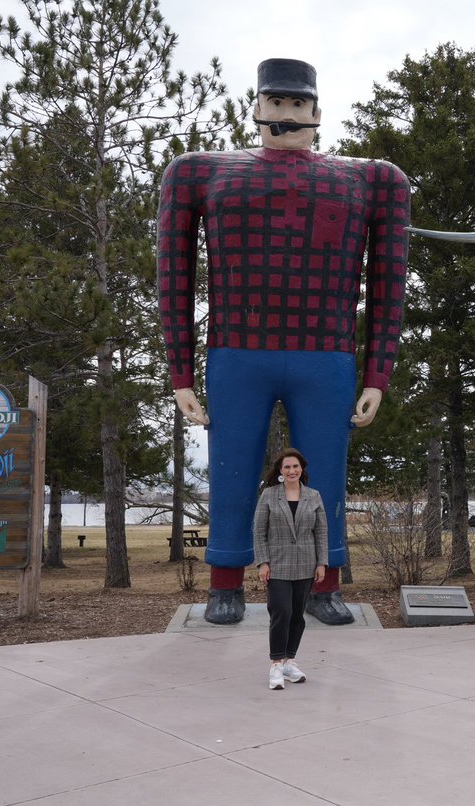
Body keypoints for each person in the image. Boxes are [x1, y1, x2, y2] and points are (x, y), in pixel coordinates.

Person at [157, 57, 410, 626]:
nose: (287, 114)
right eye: (277, 103)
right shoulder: (199, 172)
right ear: (256, 108)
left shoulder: (372, 178)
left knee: (325, 473)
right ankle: (225, 581)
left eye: (298, 104)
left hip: (325, 352)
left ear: (317, 112)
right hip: (237, 349)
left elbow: (389, 281)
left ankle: (324, 585)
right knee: (231, 467)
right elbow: (173, 275)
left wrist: (377, 373)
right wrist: (179, 372)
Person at [254, 448, 327, 690]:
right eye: (287, 467)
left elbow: (321, 532)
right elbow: (259, 531)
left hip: (307, 564)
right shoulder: (268, 495)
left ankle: (289, 661)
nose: (292, 470)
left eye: (295, 466)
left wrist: (321, 562)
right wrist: (263, 562)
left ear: (302, 468)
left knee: (297, 616)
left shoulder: (314, 496)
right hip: (277, 564)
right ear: (280, 471)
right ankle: (276, 664)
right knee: (281, 612)